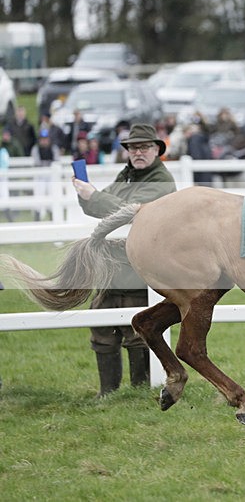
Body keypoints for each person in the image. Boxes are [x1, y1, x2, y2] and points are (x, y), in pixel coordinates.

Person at [71, 123, 177, 397]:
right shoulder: (127, 174)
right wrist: (88, 195)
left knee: (136, 333)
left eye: (143, 147)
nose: (137, 152)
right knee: (102, 330)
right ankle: (108, 393)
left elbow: (129, 212)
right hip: (112, 268)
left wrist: (93, 196)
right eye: (132, 147)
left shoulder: (161, 181)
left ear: (156, 150)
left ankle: (138, 392)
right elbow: (100, 207)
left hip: (136, 269)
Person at [30, 128, 61, 221]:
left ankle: (52, 216)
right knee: (39, 194)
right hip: (40, 176)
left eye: (46, 139)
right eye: (42, 139)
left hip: (51, 176)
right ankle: (37, 216)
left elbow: (56, 162)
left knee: (52, 193)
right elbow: (37, 163)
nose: (44, 141)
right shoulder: (36, 149)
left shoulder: (54, 148)